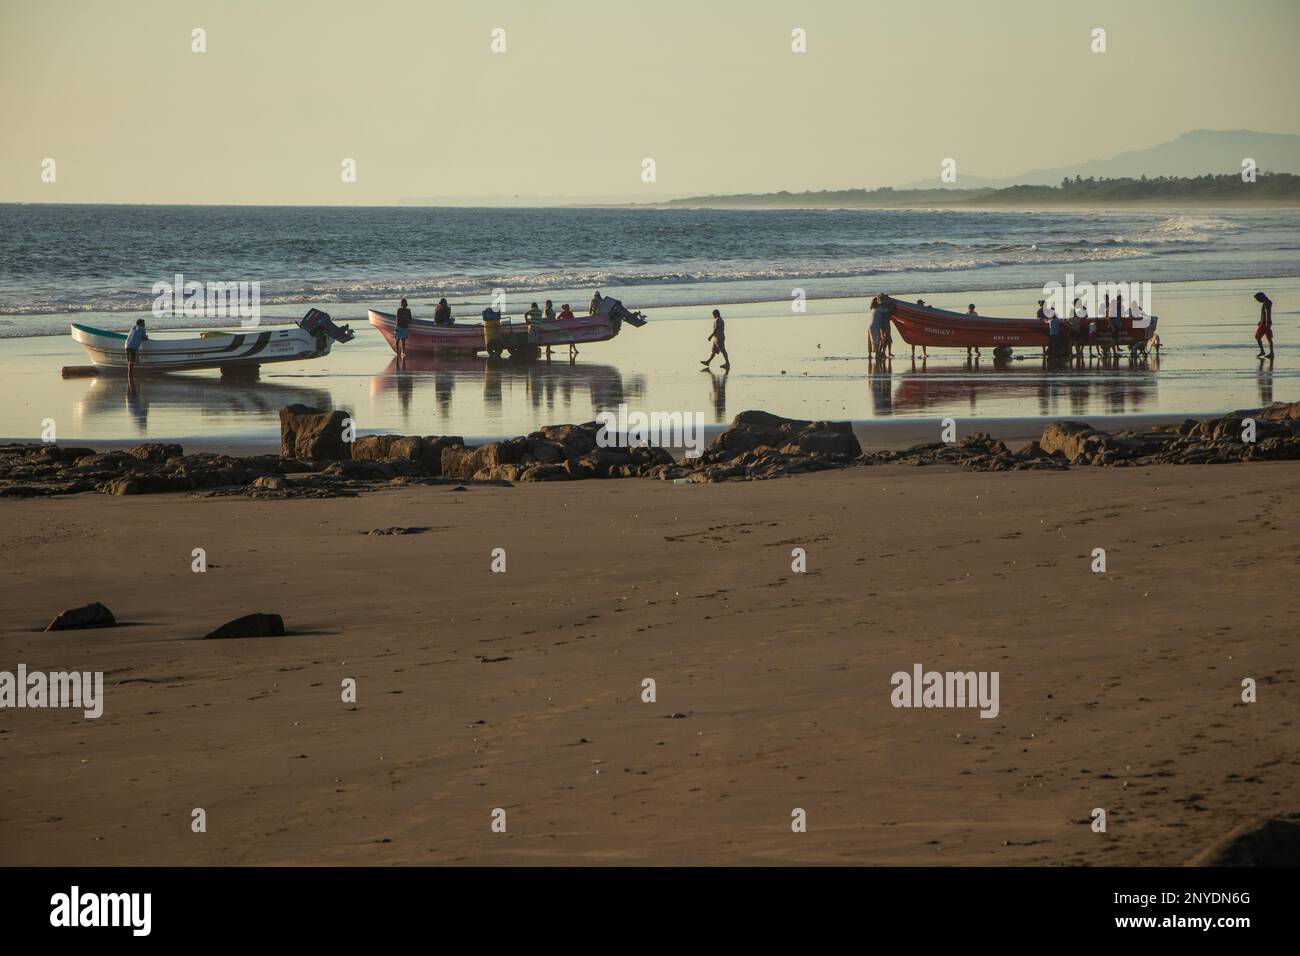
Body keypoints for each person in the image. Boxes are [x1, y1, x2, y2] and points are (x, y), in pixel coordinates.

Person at [1254, 291, 1274, 358]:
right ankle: (1268, 352)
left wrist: (1267, 323)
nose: (1257, 300)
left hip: (1265, 323)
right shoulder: (1267, 302)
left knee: (1259, 337)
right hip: (1264, 322)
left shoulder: (1266, 303)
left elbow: (1267, 313)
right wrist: (1261, 320)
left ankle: (1269, 352)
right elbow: (1265, 313)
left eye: (1257, 299)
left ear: (1261, 297)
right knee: (1267, 337)